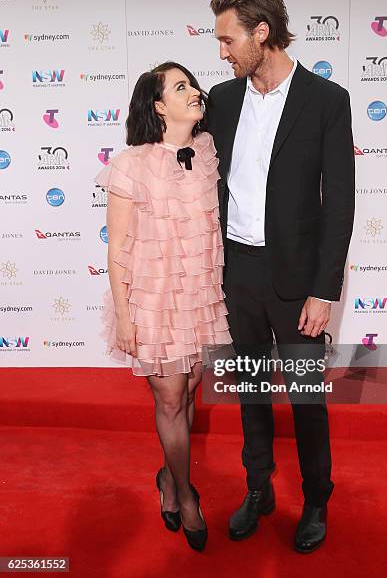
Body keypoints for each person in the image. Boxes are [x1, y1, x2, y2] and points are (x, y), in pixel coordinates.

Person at [208, 0, 355, 553]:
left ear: (260, 32)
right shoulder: (221, 100)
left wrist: (325, 290)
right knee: (248, 392)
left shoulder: (326, 100)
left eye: (228, 39)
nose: (222, 52)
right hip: (237, 272)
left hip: (297, 283)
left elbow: (338, 202)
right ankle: (258, 489)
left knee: (305, 398)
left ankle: (317, 498)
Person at [95, 62, 232, 552]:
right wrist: (126, 317)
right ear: (157, 106)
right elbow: (116, 250)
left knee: (190, 391)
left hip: (198, 295)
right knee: (170, 399)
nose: (194, 91)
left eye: (192, 84)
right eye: (180, 87)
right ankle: (188, 495)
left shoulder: (208, 151)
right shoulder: (130, 164)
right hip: (151, 300)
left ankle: (169, 481)